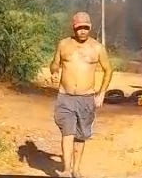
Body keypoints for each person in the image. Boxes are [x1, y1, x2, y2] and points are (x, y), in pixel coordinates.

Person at [50, 12, 113, 178]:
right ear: (74, 28)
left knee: (80, 135)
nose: (83, 31)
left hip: (86, 99)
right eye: (79, 28)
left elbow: (108, 70)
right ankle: (65, 169)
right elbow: (54, 64)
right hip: (65, 96)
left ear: (90, 27)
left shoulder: (97, 48)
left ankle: (76, 170)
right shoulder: (63, 44)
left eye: (86, 28)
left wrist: (101, 94)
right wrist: (55, 71)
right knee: (67, 133)